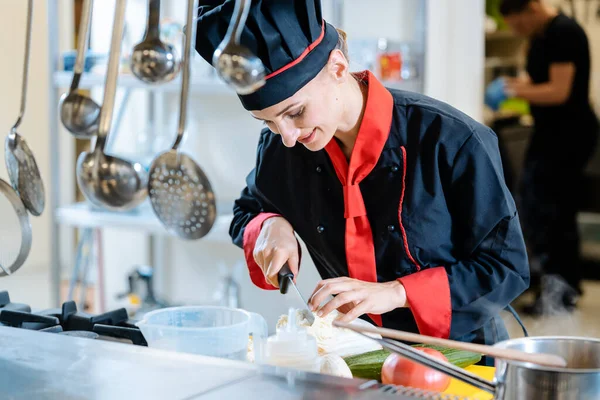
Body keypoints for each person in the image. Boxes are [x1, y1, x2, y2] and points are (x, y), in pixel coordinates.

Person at [195, 0, 530, 361]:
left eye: (295, 112)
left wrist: (396, 293)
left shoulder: (450, 140)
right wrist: (270, 224)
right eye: (268, 122)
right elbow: (248, 210)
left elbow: (505, 267)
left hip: (457, 357)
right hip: (352, 357)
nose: (287, 136)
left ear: (337, 67)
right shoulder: (283, 147)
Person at [499, 0, 599, 316]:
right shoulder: (543, 36)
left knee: (553, 211)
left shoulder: (565, 33)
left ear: (530, 8)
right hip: (551, 133)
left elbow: (559, 91)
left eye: (517, 23)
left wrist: (514, 91)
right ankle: (556, 286)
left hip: (568, 135)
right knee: (539, 207)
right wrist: (516, 86)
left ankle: (561, 292)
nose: (517, 31)